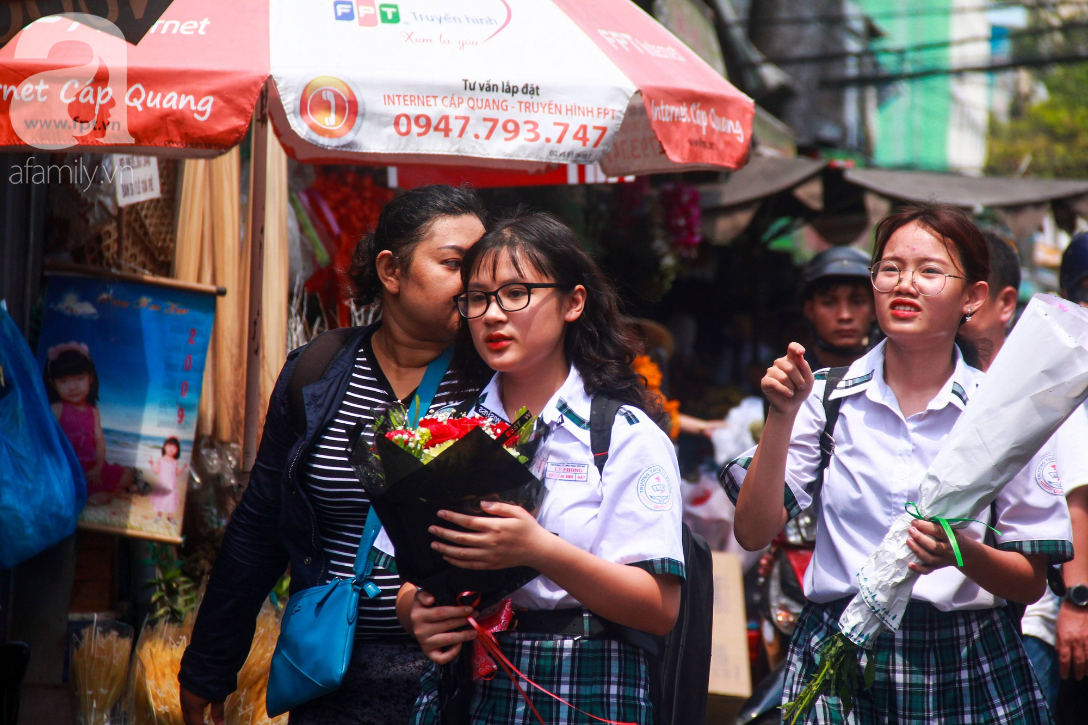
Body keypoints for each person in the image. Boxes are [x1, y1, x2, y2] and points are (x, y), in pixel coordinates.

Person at [724, 203, 1072, 723]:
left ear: (973, 297)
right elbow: (752, 532)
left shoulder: (1007, 414)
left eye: (929, 271)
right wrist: (781, 415)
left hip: (964, 662)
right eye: (890, 269)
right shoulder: (824, 398)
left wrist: (960, 554)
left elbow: (1030, 580)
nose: (905, 284)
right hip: (836, 648)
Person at [178, 185, 488, 725]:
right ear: (391, 271)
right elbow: (259, 525)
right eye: (455, 265)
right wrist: (210, 662)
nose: (476, 286)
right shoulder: (318, 372)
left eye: (482, 268)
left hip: (457, 676)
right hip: (329, 672)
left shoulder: (495, 382)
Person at [399, 212, 685, 725]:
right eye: (478, 298)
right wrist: (418, 613)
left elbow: (659, 607)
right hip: (470, 685)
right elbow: (409, 571)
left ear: (574, 302)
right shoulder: (447, 433)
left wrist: (538, 550)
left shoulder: (624, 435)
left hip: (590, 684)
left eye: (515, 293)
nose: (492, 315)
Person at [960, 232, 1088, 718]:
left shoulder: (1038, 383)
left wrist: (1077, 600)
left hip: (1025, 616)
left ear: (1002, 300)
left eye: (968, 293)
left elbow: (1074, 493)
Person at [44, 341, 135, 505]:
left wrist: (98, 468)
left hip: (91, 468)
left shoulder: (93, 410)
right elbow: (45, 439)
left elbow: (100, 442)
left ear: (90, 378)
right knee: (91, 496)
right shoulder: (57, 408)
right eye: (64, 381)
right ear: (53, 384)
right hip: (67, 468)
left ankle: (121, 475)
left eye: (79, 379)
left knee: (126, 477)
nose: (73, 387)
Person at [797, 246, 876, 371]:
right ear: (809, 310)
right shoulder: (791, 376)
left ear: (874, 309)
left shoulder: (896, 372)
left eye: (858, 302)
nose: (844, 316)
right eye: (828, 303)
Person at [148, 436, 186, 522]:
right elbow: (156, 471)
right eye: (169, 446)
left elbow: (176, 473)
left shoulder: (175, 461)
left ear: (177, 450)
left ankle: (170, 516)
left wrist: (183, 468)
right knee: (161, 499)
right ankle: (159, 515)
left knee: (170, 499)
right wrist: (151, 464)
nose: (171, 449)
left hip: (172, 485)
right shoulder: (161, 459)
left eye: (174, 447)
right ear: (164, 447)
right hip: (163, 484)